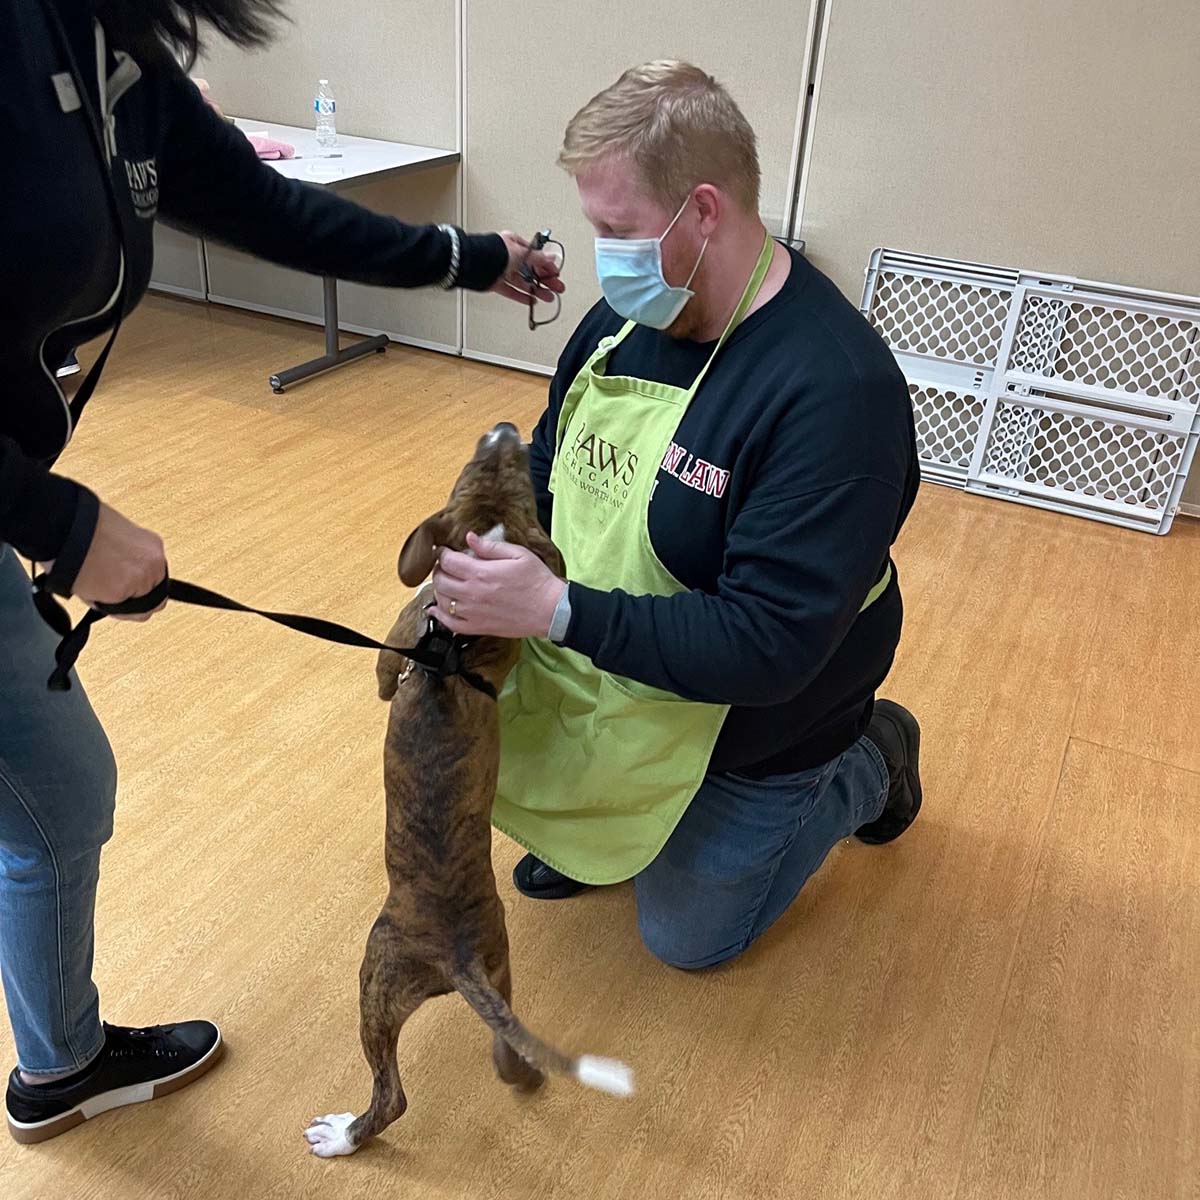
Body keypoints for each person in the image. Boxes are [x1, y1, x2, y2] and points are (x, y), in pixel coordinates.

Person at [1, 0, 562, 1144]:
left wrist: (468, 256)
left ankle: (59, 1065)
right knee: (59, 791)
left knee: (61, 790)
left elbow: (260, 203)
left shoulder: (117, 55)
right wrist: (51, 516)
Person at [430, 62, 923, 971]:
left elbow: (768, 643)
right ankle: (629, 815)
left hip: (771, 704)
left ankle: (869, 763)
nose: (601, 254)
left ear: (703, 211)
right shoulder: (626, 320)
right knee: (524, 774)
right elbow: (550, 460)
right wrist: (487, 547)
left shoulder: (832, 389)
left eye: (616, 230)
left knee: (688, 939)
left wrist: (553, 611)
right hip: (619, 657)